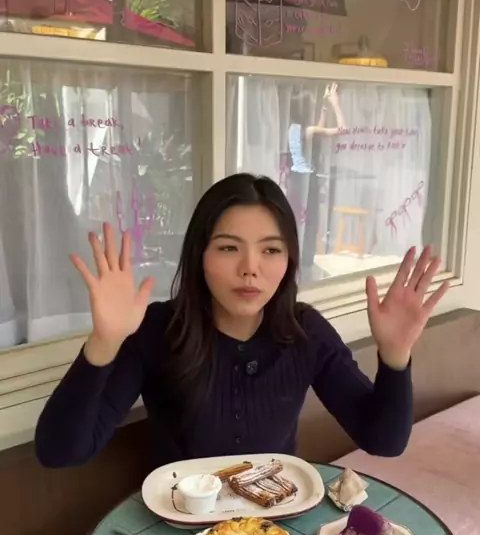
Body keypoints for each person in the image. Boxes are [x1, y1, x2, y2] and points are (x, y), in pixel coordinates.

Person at [35, 173, 449, 469]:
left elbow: (383, 441)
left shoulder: (305, 332)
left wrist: (395, 356)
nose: (250, 268)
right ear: (200, 256)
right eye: (229, 248)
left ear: (289, 261)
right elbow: (59, 452)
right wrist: (104, 342)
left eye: (271, 250)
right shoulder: (158, 331)